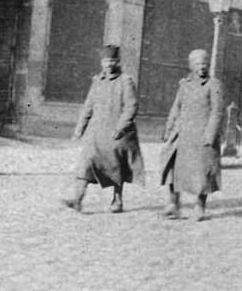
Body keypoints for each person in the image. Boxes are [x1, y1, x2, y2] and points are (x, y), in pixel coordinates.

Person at [61, 45, 144, 213]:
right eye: (106, 61)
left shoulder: (125, 81)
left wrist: (121, 127)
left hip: (118, 133)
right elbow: (88, 106)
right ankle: (78, 199)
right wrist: (79, 129)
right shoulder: (97, 81)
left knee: (116, 164)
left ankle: (117, 200)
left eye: (112, 60)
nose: (109, 64)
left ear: (118, 62)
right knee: (86, 161)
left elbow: (131, 106)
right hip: (97, 131)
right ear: (101, 62)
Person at [159, 49, 224, 221]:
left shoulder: (213, 84)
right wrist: (169, 127)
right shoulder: (184, 84)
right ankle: (174, 204)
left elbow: (217, 112)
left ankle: (200, 206)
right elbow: (176, 107)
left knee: (203, 170)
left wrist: (210, 136)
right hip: (183, 133)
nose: (202, 67)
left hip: (203, 135)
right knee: (173, 166)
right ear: (191, 65)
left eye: (205, 63)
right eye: (198, 64)